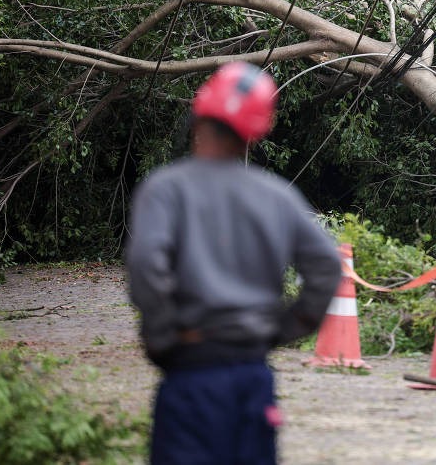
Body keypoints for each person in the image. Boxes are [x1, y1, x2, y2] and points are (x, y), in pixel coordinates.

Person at [126, 62, 342, 465]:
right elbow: (327, 268)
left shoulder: (165, 189)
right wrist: (283, 329)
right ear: (258, 129)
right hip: (252, 376)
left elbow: (146, 266)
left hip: (190, 374)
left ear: (199, 115)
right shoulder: (277, 197)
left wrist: (162, 335)